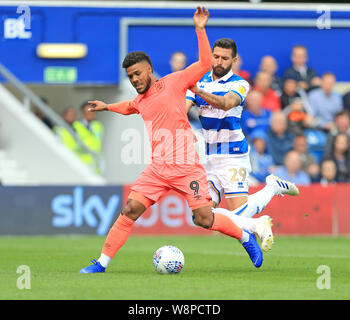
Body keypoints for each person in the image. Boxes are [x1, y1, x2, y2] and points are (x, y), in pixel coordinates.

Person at [79, 7, 273, 273]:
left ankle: (245, 236)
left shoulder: (174, 82)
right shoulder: (140, 100)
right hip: (158, 169)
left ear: (149, 70)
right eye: (130, 77)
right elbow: (129, 106)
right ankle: (101, 263)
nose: (134, 79)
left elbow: (205, 63)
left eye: (137, 74)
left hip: (186, 167)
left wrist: (200, 29)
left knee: (204, 218)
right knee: (130, 209)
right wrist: (107, 106)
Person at [186, 36, 299, 224]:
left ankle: (271, 187)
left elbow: (225, 103)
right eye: (216, 57)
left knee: (239, 216)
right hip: (210, 155)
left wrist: (197, 91)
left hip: (233, 154)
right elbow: (182, 108)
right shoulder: (199, 82)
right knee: (200, 218)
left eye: (224, 58)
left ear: (234, 60)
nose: (219, 62)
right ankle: (259, 220)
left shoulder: (239, 84)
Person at [73, 102, 104, 173]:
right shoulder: (76, 126)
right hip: (81, 162)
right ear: (83, 113)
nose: (90, 114)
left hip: (95, 164)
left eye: (92, 111)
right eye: (87, 111)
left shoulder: (98, 126)